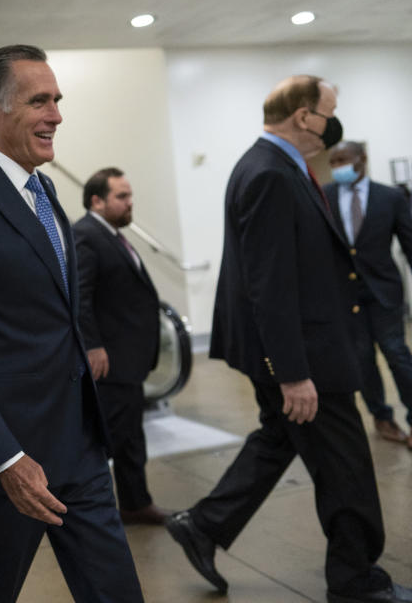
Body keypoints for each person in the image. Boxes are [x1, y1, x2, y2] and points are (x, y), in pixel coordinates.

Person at [166, 75, 411, 603]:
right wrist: (293, 371)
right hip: (306, 354)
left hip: (297, 346)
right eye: (329, 113)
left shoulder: (270, 165)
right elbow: (270, 283)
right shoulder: (271, 172)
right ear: (303, 117)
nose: (334, 126)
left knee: (280, 438)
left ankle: (204, 526)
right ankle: (356, 582)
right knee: (346, 466)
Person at [0, 44, 143, 603]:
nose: (57, 115)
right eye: (39, 101)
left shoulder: (42, 188)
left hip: (80, 448)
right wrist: (8, 459)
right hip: (10, 464)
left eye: (57, 100)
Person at [73, 167, 169, 526]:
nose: (130, 203)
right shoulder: (86, 235)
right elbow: (80, 296)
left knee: (130, 437)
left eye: (130, 195)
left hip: (127, 359)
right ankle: (85, 510)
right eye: (122, 197)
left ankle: (134, 502)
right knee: (109, 439)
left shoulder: (112, 235)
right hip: (109, 360)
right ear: (97, 201)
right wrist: (93, 345)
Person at [324, 141, 412, 449]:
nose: (338, 166)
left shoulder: (391, 197)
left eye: (343, 159)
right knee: (362, 360)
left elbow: (409, 242)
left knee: (397, 355)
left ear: (361, 159)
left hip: (384, 292)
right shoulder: (325, 196)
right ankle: (382, 417)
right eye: (333, 161)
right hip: (346, 297)